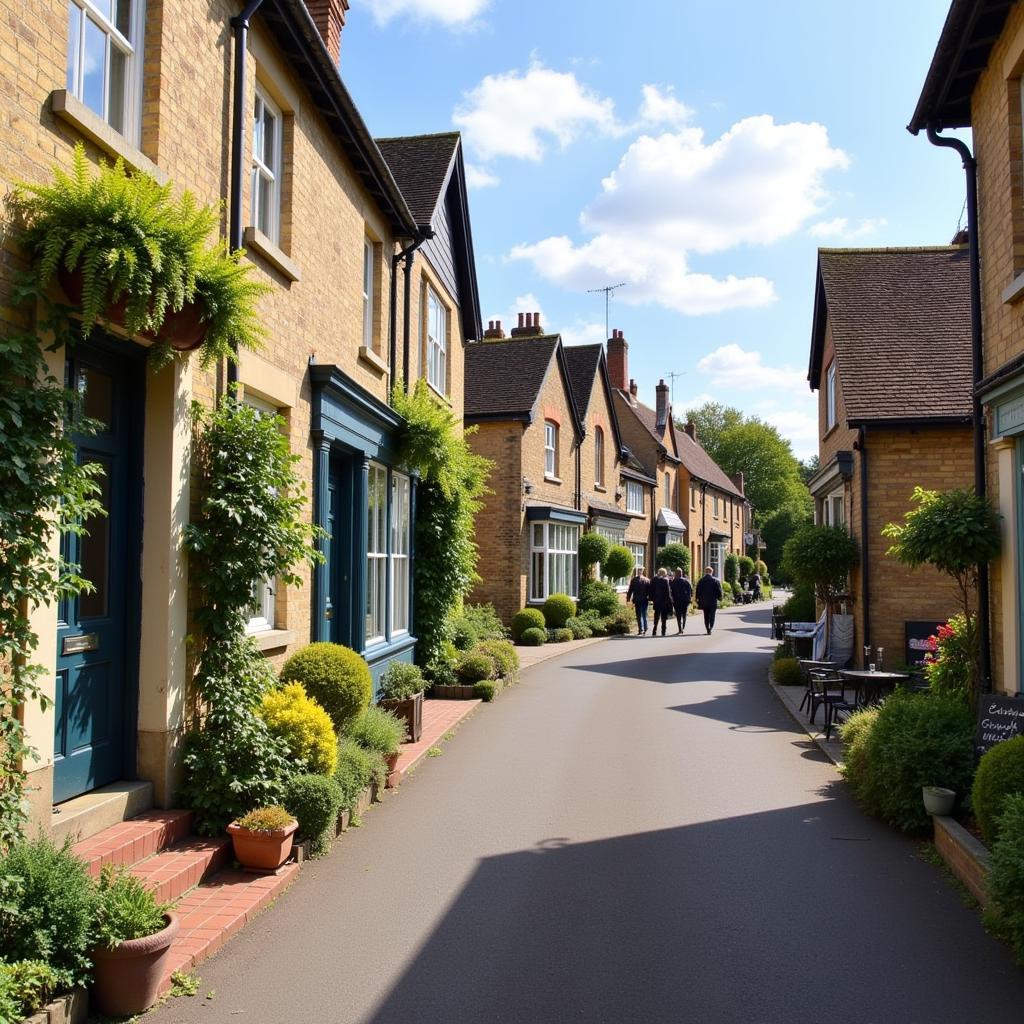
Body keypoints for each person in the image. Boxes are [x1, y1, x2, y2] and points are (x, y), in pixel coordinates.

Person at [695, 566, 723, 634]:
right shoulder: (715, 580)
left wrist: (697, 598)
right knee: (712, 615)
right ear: (712, 572)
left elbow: (698, 590)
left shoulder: (701, 580)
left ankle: (707, 628)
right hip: (712, 601)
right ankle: (711, 627)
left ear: (705, 572)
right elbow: (719, 590)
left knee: (706, 615)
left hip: (704, 601)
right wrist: (720, 597)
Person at [626, 567, 650, 635]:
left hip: (637, 600)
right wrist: (650, 598)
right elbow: (649, 591)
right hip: (645, 600)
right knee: (644, 614)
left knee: (639, 615)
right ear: (642, 571)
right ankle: (645, 627)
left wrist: (628, 598)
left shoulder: (634, 580)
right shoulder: (647, 580)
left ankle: (641, 629)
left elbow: (630, 590)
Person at [651, 568, 673, 636]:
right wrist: (670, 601)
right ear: (664, 573)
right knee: (663, 617)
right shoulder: (665, 581)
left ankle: (654, 629)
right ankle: (663, 631)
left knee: (656, 616)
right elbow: (668, 592)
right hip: (664, 602)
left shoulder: (654, 580)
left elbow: (651, 590)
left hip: (656, 601)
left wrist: (653, 599)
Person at [670, 568, 692, 634]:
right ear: (681, 573)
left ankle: (680, 628)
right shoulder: (686, 581)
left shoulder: (673, 582)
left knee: (678, 615)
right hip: (685, 600)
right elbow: (690, 590)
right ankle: (683, 627)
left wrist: (672, 599)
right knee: (684, 614)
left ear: (677, 573)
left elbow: (671, 591)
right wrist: (689, 598)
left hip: (676, 601)